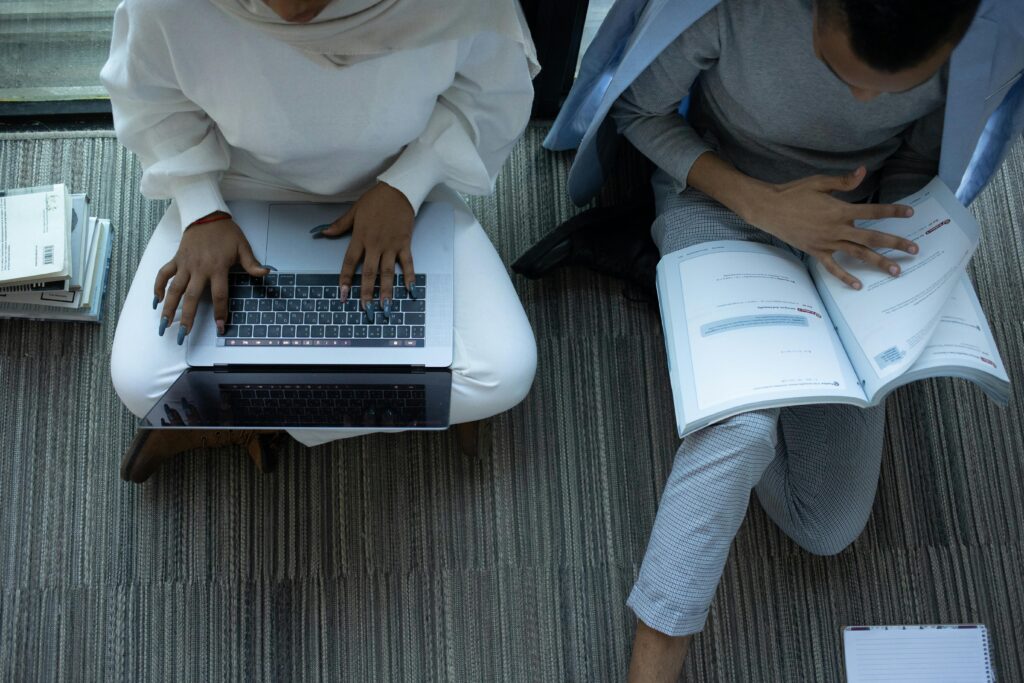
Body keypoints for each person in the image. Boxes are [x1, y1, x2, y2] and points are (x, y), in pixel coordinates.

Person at [529, 0, 1014, 679]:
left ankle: (708, 324)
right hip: (723, 196)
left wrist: (893, 247)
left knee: (827, 524)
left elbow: (919, 162)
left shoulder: (976, 33)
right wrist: (763, 206)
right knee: (741, 431)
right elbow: (639, 111)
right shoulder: (737, 9)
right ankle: (656, 649)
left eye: (895, 84)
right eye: (841, 71)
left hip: (853, 224)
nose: (867, 98)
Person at [101, 0, 540, 482]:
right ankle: (391, 407)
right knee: (139, 382)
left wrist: (408, 184)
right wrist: (201, 207)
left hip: (404, 174)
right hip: (242, 182)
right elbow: (153, 103)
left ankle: (242, 416)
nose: (289, 9)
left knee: (505, 373)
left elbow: (486, 94)